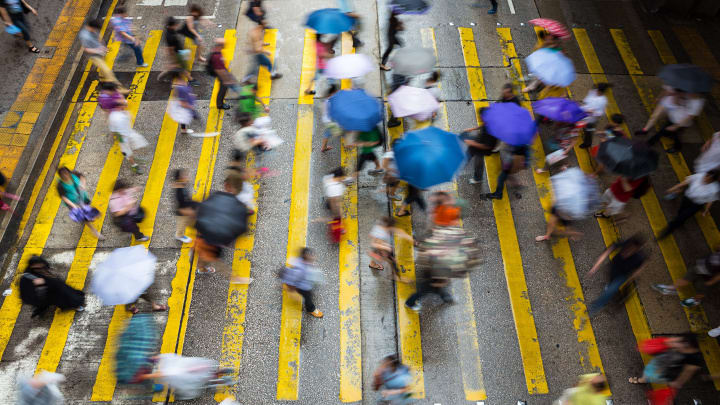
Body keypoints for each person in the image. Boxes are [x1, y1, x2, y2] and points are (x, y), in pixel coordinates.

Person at [586, 235, 646, 315]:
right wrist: (595, 266)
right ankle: (612, 290)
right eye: (629, 247)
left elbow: (641, 266)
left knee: (609, 292)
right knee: (611, 283)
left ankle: (594, 307)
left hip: (622, 276)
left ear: (637, 249)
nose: (628, 250)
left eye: (632, 249)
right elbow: (609, 250)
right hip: (614, 268)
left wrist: (632, 277)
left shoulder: (639, 258)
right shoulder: (625, 243)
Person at [98, 82, 148, 174]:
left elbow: (122, 101)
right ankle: (134, 165)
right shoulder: (106, 103)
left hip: (121, 124)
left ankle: (130, 157)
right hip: (118, 126)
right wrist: (118, 136)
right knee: (127, 148)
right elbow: (106, 110)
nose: (115, 92)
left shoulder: (115, 97)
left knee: (133, 143)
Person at [658, 170, 720, 239]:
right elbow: (684, 183)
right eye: (706, 176)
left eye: (709, 179)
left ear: (713, 181)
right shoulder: (699, 176)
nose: (706, 179)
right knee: (681, 212)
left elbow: (710, 200)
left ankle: (668, 230)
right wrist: (673, 189)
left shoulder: (714, 189)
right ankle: (680, 222)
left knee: (682, 217)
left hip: (696, 205)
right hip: (687, 198)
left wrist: (706, 210)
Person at [637, 91, 705, 153]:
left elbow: (689, 117)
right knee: (670, 133)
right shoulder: (689, 93)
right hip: (674, 117)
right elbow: (678, 101)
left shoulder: (697, 103)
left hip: (681, 123)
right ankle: (672, 142)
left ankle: (650, 143)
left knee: (669, 133)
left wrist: (676, 126)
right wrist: (677, 97)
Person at [653, 246, 720, 308]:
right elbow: (716, 248)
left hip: (709, 276)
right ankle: (672, 288)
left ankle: (696, 300)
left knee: (702, 289)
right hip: (702, 266)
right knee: (688, 276)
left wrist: (711, 282)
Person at [19, 256, 85, 318]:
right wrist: (39, 286)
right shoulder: (27, 279)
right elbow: (29, 295)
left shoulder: (40, 267)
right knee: (59, 296)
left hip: (47, 289)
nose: (41, 269)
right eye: (37, 268)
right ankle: (74, 303)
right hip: (40, 294)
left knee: (61, 289)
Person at [629, 335, 702, 391]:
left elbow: (687, 373)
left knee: (650, 375)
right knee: (650, 369)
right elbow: (668, 341)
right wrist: (675, 344)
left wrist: (678, 382)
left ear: (689, 347)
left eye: (685, 345)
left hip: (667, 371)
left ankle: (641, 380)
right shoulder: (687, 340)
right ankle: (643, 379)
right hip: (663, 360)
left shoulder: (694, 359)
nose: (681, 345)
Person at [79, 19, 128, 93]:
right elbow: (87, 49)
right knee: (108, 71)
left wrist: (103, 47)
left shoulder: (94, 30)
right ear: (91, 27)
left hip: (101, 52)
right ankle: (120, 89)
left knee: (103, 69)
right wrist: (98, 50)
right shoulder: (85, 36)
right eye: (95, 29)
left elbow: (99, 38)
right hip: (94, 56)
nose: (96, 30)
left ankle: (102, 79)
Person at [56, 167, 103, 239]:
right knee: (84, 217)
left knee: (87, 209)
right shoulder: (60, 185)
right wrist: (74, 206)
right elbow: (63, 197)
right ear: (60, 176)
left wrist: (83, 185)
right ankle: (94, 231)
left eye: (66, 173)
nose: (65, 176)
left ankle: (91, 216)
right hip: (74, 203)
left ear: (69, 172)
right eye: (63, 175)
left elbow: (82, 177)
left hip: (83, 198)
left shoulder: (74, 174)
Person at [280, 247, 324, 318]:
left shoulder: (303, 262)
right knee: (308, 297)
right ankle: (311, 309)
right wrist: (292, 291)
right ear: (305, 257)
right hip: (303, 287)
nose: (313, 256)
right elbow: (293, 282)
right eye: (311, 255)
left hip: (306, 282)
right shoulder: (299, 271)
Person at [159, 17, 195, 84]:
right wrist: (173, 60)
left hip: (179, 51)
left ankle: (162, 76)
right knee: (182, 66)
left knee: (177, 66)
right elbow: (170, 49)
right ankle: (190, 80)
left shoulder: (169, 29)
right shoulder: (170, 36)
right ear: (171, 26)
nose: (177, 25)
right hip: (177, 53)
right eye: (175, 24)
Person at [462, 119, 498, 185]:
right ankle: (462, 162)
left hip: (483, 148)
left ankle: (478, 178)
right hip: (481, 139)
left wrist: (472, 143)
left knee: (478, 161)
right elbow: (484, 125)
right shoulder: (490, 120)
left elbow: (487, 146)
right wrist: (472, 129)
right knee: (471, 150)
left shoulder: (493, 131)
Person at [208, 38, 241, 110]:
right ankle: (220, 105)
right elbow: (219, 70)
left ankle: (241, 94)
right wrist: (225, 79)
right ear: (220, 45)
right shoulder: (217, 56)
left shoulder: (216, 50)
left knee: (227, 86)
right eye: (224, 44)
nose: (225, 45)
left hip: (223, 73)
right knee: (223, 89)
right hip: (222, 76)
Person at [578, 83, 610, 148]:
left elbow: (601, 113)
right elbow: (586, 100)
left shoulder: (603, 101)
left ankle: (587, 143)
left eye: (597, 90)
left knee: (589, 132)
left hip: (591, 120)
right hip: (583, 113)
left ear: (601, 92)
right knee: (584, 127)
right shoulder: (592, 92)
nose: (596, 91)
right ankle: (584, 129)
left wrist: (593, 112)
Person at [172, 169, 197, 244]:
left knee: (190, 221)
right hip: (182, 212)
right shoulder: (178, 193)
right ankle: (179, 235)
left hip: (188, 207)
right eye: (184, 176)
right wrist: (189, 211)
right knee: (182, 224)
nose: (186, 176)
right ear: (179, 179)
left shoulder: (182, 185)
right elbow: (180, 207)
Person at [320, 84, 342, 152]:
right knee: (340, 130)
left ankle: (323, 147)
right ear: (333, 92)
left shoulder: (327, 100)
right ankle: (323, 148)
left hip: (326, 120)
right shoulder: (332, 101)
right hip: (331, 121)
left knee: (327, 133)